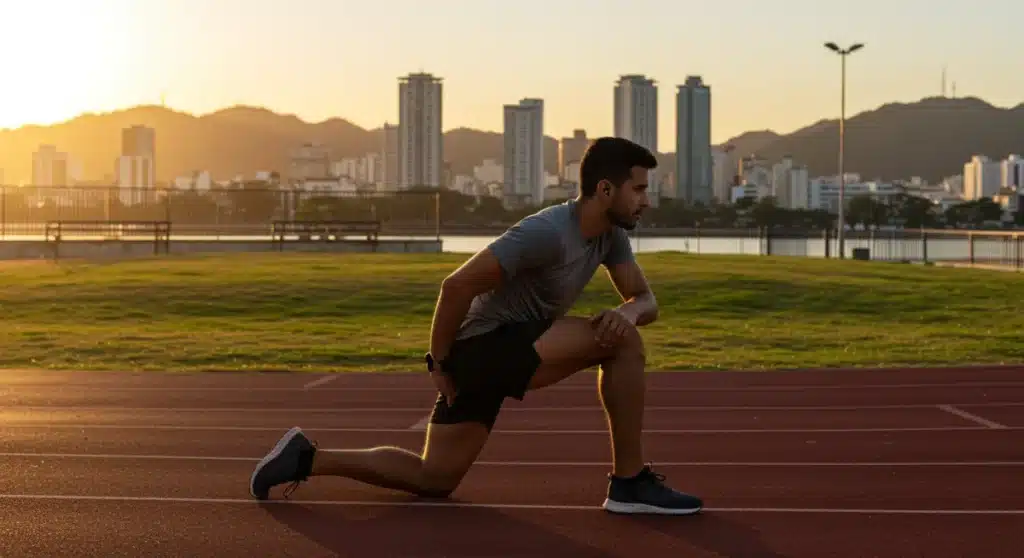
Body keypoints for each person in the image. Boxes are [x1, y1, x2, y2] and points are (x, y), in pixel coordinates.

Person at [248, 136, 703, 515]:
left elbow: (645, 300)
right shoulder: (545, 232)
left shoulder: (610, 237)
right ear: (606, 190)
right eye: (639, 190)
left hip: (505, 352)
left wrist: (626, 311)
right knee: (623, 347)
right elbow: (456, 286)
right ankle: (628, 483)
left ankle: (306, 457)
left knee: (435, 477)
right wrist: (439, 363)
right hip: (481, 346)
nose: (646, 200)